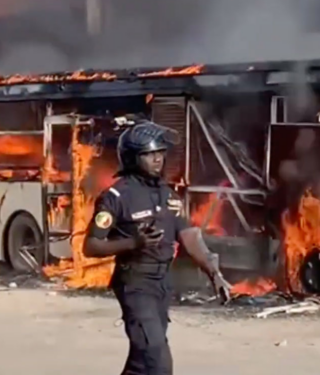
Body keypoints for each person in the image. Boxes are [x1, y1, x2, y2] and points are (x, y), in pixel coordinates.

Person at [83, 117, 232, 375]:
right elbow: (91, 246)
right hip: (135, 284)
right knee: (157, 360)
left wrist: (214, 273)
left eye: (160, 153)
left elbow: (189, 236)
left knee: (142, 361)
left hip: (162, 284)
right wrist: (134, 243)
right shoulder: (116, 197)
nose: (158, 159)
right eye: (149, 154)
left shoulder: (168, 195)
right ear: (132, 158)